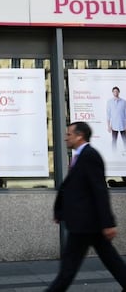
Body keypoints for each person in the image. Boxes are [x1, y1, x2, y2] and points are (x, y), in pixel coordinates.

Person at [46, 121, 126, 292]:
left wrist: (108, 223)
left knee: (68, 270)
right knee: (111, 260)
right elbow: (74, 189)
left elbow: (100, 190)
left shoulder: (90, 156)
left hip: (86, 224)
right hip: (88, 224)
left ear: (79, 136)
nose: (66, 138)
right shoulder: (80, 156)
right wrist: (60, 211)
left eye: (69, 134)